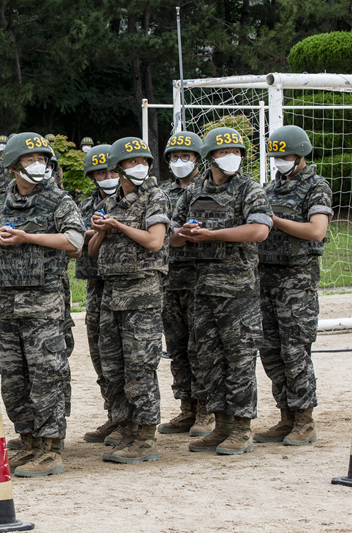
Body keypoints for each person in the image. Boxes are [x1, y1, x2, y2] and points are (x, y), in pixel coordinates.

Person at [0, 132, 84, 477]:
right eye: (31, 160)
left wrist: (28, 237)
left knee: (47, 375)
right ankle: (30, 442)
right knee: (14, 377)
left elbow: (75, 242)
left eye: (43, 160)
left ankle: (50, 449)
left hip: (45, 303)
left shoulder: (59, 201)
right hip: (8, 305)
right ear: (14, 166)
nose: (39, 166)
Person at [171, 126, 272, 456]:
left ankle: (242, 429)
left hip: (238, 291)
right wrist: (185, 232)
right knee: (209, 359)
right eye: (225, 151)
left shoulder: (249, 188)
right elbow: (171, 235)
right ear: (210, 157)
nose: (232, 157)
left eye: (238, 152)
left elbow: (259, 230)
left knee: (239, 360)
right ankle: (222, 425)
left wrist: (212, 234)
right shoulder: (194, 191)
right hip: (203, 289)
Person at [88, 137, 169, 464]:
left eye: (144, 162)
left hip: (143, 293)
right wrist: (102, 231)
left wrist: (117, 224)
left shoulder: (156, 197)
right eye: (132, 162)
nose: (140, 168)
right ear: (119, 167)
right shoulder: (110, 203)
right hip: (112, 293)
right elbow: (92, 253)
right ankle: (126, 428)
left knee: (140, 365)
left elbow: (154, 241)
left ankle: (146, 436)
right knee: (114, 365)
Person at [253, 125, 331, 447]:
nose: (279, 161)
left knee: (295, 351)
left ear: (300, 155)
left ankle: (305, 420)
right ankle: (285, 416)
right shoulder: (270, 187)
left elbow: (316, 231)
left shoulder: (317, 186)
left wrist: (274, 220)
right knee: (270, 353)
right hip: (265, 280)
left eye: (284, 156)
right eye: (276, 156)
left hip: (296, 282)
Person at [158, 131, 214, 437]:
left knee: (200, 346)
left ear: (198, 159)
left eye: (187, 156)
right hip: (171, 278)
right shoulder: (164, 194)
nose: (180, 162)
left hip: (200, 278)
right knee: (177, 347)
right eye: (175, 157)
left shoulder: (209, 190)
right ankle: (187, 407)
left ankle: (206, 409)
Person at [75, 144, 122, 446]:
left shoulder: (130, 200)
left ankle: (128, 420)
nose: (106, 176)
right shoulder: (87, 203)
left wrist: (94, 232)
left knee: (123, 357)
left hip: (123, 285)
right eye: (100, 172)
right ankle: (114, 414)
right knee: (100, 357)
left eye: (111, 170)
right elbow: (74, 237)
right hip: (96, 286)